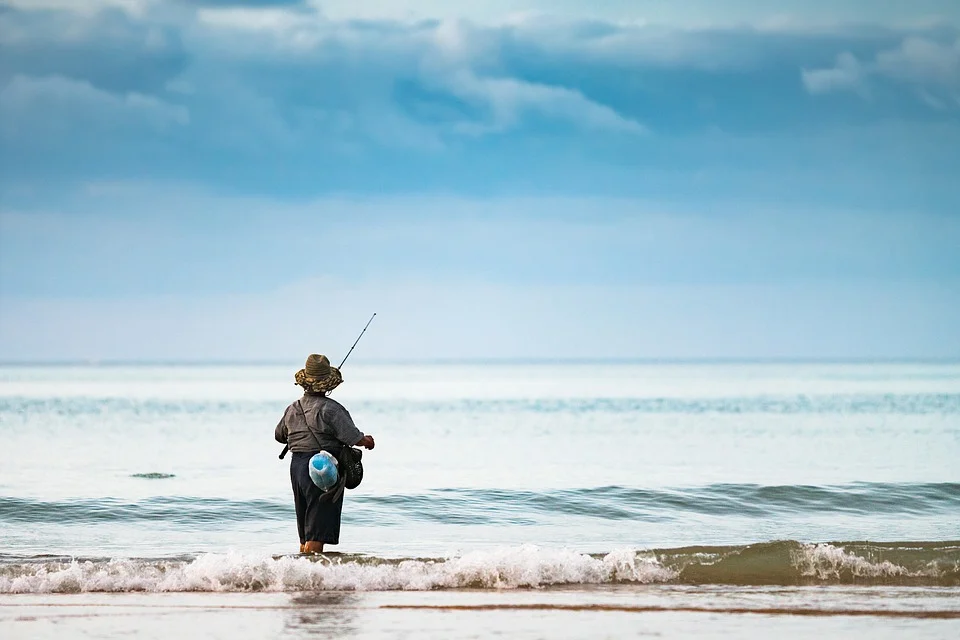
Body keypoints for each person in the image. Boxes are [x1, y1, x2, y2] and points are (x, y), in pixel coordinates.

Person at [275, 354, 375, 554]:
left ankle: (303, 577)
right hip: (322, 467)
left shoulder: (292, 408)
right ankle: (313, 580)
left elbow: (279, 435)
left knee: (306, 530)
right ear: (328, 383)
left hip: (297, 468)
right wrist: (368, 441)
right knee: (317, 531)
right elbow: (353, 438)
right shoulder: (331, 409)